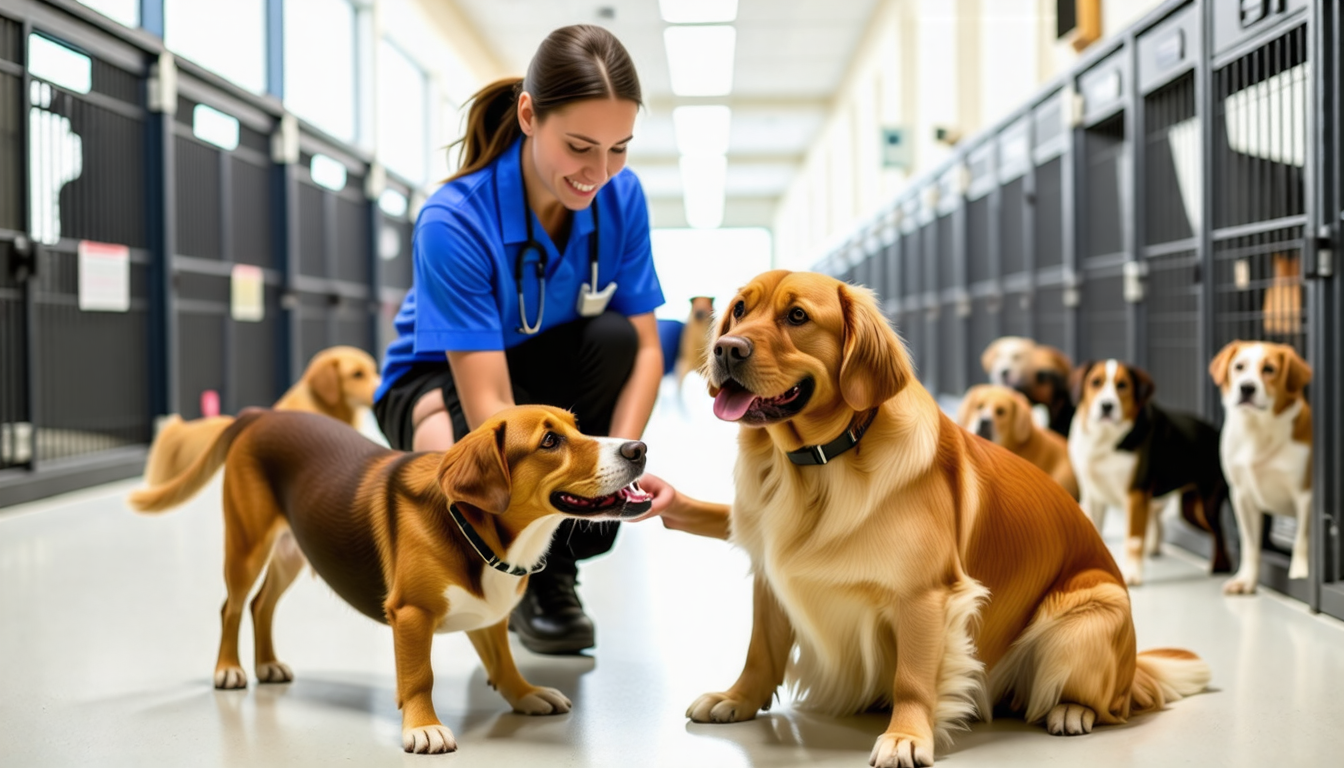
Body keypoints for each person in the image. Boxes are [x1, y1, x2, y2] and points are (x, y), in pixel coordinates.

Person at [374, 25, 672, 655]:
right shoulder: (454, 219)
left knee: (613, 337)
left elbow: (646, 349)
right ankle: (532, 580)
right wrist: (573, 490)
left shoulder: (622, 196)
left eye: (619, 148)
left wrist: (618, 470)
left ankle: (554, 569)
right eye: (580, 146)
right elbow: (491, 415)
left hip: (545, 373)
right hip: (436, 381)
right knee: (454, 480)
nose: (599, 172)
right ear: (530, 116)